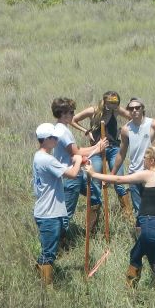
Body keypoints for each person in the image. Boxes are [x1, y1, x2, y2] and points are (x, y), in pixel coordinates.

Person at [89, 145, 155, 288]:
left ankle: (131, 290)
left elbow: (119, 179)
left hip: (150, 225)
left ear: (152, 161)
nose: (143, 161)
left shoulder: (149, 174)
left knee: (136, 255)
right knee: (154, 257)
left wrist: (94, 174)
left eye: (145, 158)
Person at [33, 122, 86, 284]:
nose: (57, 140)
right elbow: (72, 174)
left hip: (46, 210)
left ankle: (39, 276)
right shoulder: (48, 160)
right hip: (49, 213)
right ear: (46, 139)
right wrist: (78, 160)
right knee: (49, 253)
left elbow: (58, 169)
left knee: (49, 249)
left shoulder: (39, 156)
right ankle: (47, 288)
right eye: (54, 138)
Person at [51, 97, 107, 243]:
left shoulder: (61, 129)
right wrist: (97, 148)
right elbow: (76, 152)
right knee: (66, 214)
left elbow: (76, 151)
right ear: (62, 113)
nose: (73, 115)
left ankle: (92, 232)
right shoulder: (62, 132)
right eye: (71, 112)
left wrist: (96, 147)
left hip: (77, 173)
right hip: (70, 176)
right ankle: (57, 246)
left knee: (95, 196)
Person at [114, 97, 155, 219]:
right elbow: (121, 154)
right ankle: (142, 231)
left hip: (153, 174)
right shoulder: (126, 129)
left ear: (142, 109)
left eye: (137, 107)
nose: (134, 110)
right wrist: (112, 174)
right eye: (131, 108)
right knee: (139, 212)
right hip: (135, 174)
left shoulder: (153, 124)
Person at [73, 91, 130, 225]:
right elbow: (73, 119)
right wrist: (85, 131)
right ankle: (93, 223)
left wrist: (123, 130)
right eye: (110, 103)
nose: (113, 106)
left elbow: (131, 117)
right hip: (96, 150)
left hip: (114, 149)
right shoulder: (92, 111)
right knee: (95, 183)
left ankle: (128, 217)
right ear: (104, 101)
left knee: (119, 182)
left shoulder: (116, 110)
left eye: (115, 103)